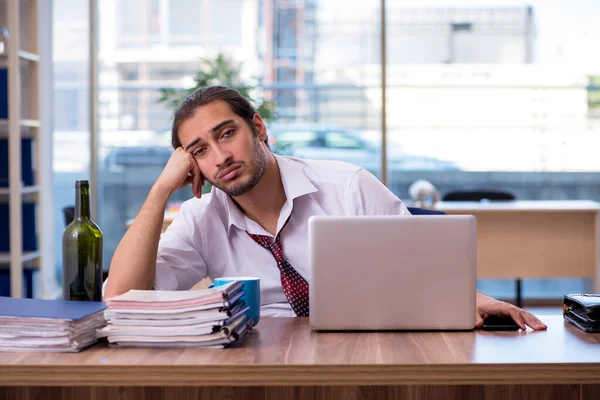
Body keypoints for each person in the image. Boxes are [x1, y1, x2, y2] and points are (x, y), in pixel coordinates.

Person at [104, 86, 547, 331]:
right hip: (257, 367)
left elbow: (428, 270)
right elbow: (121, 298)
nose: (220, 157)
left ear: (258, 127)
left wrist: (471, 297)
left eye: (226, 134)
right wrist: (160, 191)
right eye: (199, 150)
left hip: (368, 352)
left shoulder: (347, 186)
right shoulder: (202, 218)